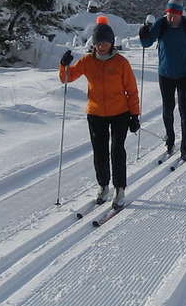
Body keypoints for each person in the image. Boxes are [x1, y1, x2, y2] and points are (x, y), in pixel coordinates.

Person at [60, 15, 140, 209]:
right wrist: (64, 65)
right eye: (98, 43)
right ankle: (104, 186)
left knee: (117, 150)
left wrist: (134, 115)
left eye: (105, 43)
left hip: (120, 112)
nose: (101, 46)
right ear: (94, 44)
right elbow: (67, 78)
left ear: (112, 42)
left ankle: (119, 188)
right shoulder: (88, 61)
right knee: (100, 152)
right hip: (96, 114)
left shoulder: (121, 62)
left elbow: (132, 89)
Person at [139, 0, 186, 160]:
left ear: (180, 14)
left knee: (184, 109)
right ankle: (170, 140)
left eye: (175, 14)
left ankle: (185, 146)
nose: (171, 17)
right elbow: (147, 43)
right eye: (169, 13)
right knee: (167, 109)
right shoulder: (161, 24)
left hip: (184, 74)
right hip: (165, 74)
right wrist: (143, 34)